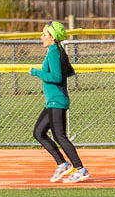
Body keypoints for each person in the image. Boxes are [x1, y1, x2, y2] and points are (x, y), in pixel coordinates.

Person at [29, 21, 89, 183]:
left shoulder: (54, 52)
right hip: (53, 101)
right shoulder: (58, 51)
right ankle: (62, 163)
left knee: (60, 137)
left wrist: (37, 72)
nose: (41, 37)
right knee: (39, 133)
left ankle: (80, 169)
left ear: (53, 37)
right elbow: (69, 71)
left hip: (57, 100)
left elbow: (56, 77)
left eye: (44, 34)